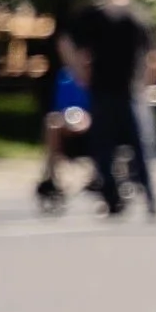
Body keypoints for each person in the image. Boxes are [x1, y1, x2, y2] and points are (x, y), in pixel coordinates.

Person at [72, 0, 156, 219]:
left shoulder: (136, 18)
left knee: (140, 145)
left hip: (129, 90)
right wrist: (82, 75)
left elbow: (153, 56)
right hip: (107, 90)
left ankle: (149, 196)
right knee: (105, 147)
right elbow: (76, 46)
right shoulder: (96, 18)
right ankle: (112, 197)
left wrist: (146, 84)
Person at [34, 36, 90, 212]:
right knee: (52, 122)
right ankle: (51, 174)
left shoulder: (97, 80)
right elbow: (61, 106)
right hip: (69, 119)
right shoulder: (66, 77)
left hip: (91, 120)